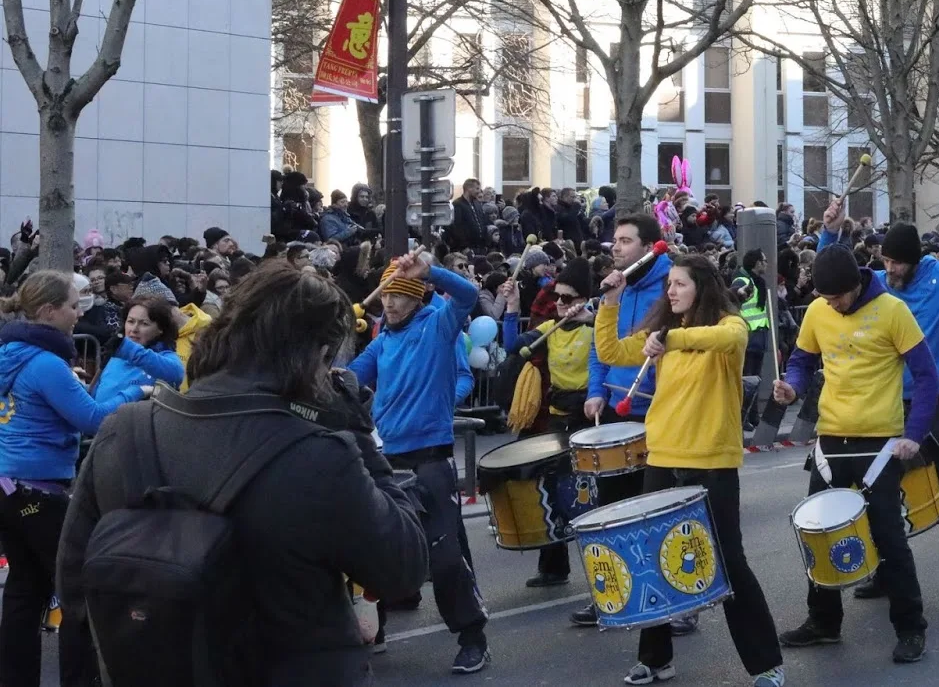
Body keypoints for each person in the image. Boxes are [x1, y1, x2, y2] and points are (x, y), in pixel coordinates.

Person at [58, 260, 429, 687]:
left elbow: (73, 578)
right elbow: (402, 568)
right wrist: (358, 431)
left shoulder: (123, 429)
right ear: (319, 358)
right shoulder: (320, 456)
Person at [593, 255, 785, 687]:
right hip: (661, 457)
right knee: (652, 564)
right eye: (669, 286)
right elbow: (610, 351)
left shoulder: (728, 326)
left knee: (730, 563)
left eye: (679, 284)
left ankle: (767, 664)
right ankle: (656, 659)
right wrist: (610, 303)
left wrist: (670, 340)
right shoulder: (662, 332)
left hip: (712, 461)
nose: (671, 292)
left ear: (701, 287)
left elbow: (725, 338)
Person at [818, 202, 939, 610]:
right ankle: (885, 572)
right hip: (892, 402)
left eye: (897, 262)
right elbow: (836, 274)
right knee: (878, 492)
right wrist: (829, 234)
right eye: (885, 260)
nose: (890, 268)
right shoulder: (880, 284)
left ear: (916, 260)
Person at [771, 245, 937, 665]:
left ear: (857, 285)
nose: (833, 305)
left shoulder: (892, 310)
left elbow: (926, 375)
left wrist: (914, 434)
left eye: (838, 298)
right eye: (826, 299)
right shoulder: (817, 312)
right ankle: (823, 622)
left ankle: (911, 628)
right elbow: (802, 362)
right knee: (819, 532)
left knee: (888, 538)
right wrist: (791, 386)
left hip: (880, 443)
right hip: (831, 439)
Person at [0, 272, 150, 686]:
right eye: (71, 305)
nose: (77, 313)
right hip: (39, 491)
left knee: (23, 592)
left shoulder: (10, 353)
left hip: (7, 486)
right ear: (48, 311)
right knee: (78, 593)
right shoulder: (47, 363)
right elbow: (93, 419)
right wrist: (137, 391)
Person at [347, 251, 491, 674]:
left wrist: (429, 271)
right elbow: (350, 379)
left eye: (398, 295)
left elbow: (468, 295)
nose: (388, 303)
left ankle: (472, 638)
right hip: (383, 460)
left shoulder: (438, 326)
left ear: (415, 299)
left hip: (429, 459)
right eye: (386, 295)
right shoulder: (381, 340)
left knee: (446, 556)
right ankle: (376, 628)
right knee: (373, 552)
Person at [570, 214, 677, 631]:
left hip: (656, 413)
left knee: (656, 513)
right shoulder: (616, 288)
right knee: (612, 511)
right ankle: (612, 594)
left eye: (625, 241)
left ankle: (676, 602)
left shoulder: (671, 289)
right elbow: (602, 348)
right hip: (615, 412)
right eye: (614, 240)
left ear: (651, 247)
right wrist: (596, 389)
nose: (615, 247)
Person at [514, 262, 596, 588]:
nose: (560, 304)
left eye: (567, 299)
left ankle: (601, 569)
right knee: (550, 490)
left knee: (584, 495)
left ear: (584, 300)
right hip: (558, 413)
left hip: (588, 415)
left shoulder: (596, 327)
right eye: (557, 298)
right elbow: (514, 345)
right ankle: (553, 567)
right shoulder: (551, 326)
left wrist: (595, 319)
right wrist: (509, 310)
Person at [91, 297, 186, 408]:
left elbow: (176, 374)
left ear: (161, 329)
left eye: (144, 324)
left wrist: (131, 350)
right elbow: (95, 396)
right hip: (103, 423)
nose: (134, 329)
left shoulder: (165, 357)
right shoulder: (114, 358)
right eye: (130, 321)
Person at [732, 249, 772, 378]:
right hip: (748, 335)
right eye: (764, 261)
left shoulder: (758, 282)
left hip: (758, 335)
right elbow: (733, 294)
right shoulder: (742, 281)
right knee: (747, 378)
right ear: (757, 263)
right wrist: (738, 292)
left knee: (755, 377)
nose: (767, 264)